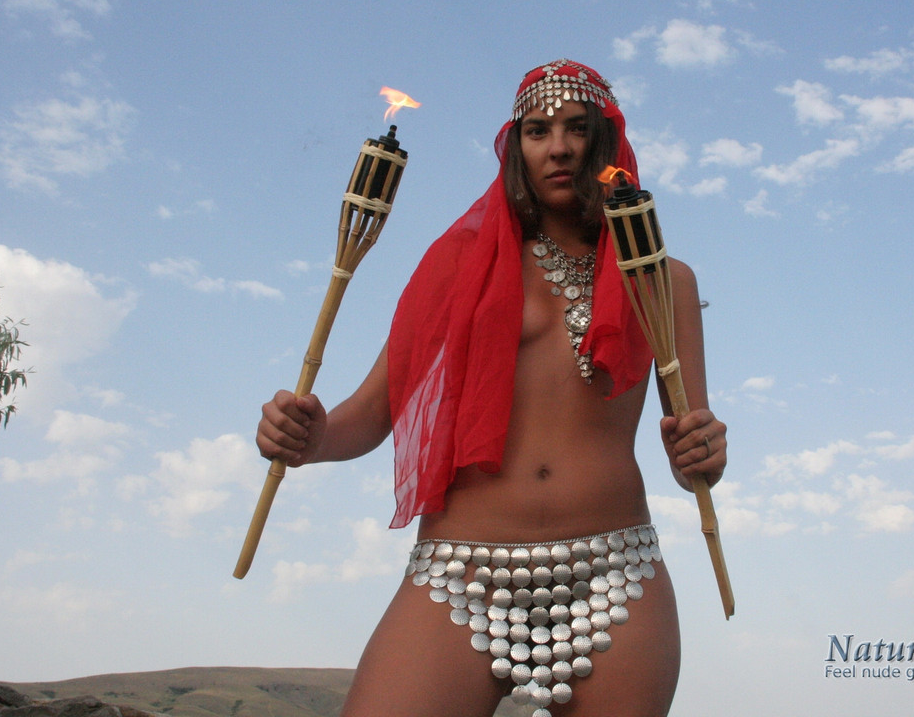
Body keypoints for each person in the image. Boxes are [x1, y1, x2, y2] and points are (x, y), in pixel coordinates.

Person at [256, 59, 727, 717]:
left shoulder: (662, 278)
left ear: (607, 142)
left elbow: (692, 450)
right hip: (460, 575)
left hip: (616, 574)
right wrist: (309, 439)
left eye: (577, 128)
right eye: (538, 131)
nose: (558, 147)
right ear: (516, 150)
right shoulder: (461, 265)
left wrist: (704, 453)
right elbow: (371, 414)